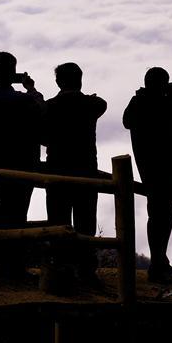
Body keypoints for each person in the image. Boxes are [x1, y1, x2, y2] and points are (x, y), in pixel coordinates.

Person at [0, 51, 45, 280]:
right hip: (24, 165)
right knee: (18, 215)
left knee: (1, 213)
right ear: (13, 71)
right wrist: (30, 87)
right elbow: (41, 107)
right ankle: (16, 266)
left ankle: (1, 265)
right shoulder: (24, 100)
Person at [123, 67, 172, 283]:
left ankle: (160, 261)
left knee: (159, 216)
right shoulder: (161, 102)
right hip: (165, 167)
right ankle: (158, 265)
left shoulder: (138, 102)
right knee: (162, 217)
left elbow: (127, 122)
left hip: (150, 167)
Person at [42, 62, 107, 286]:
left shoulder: (49, 107)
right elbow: (102, 103)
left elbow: (42, 138)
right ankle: (87, 271)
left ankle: (60, 268)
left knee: (58, 221)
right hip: (86, 171)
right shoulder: (92, 104)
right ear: (80, 80)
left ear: (59, 82)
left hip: (57, 171)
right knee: (86, 221)